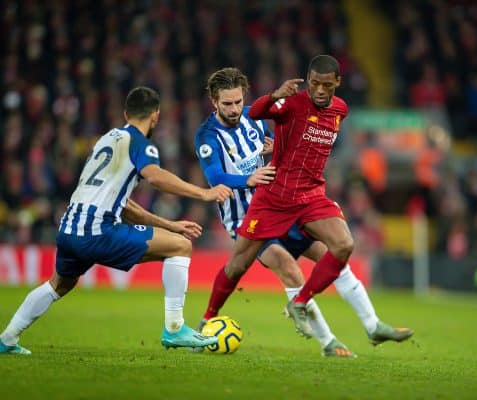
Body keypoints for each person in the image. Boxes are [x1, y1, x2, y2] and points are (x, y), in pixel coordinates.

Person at [195, 67, 413, 356]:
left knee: (332, 255)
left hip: (283, 201)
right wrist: (246, 179)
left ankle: (369, 326)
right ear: (214, 101)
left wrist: (272, 150)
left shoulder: (255, 117)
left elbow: (274, 144)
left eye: (238, 102)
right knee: (276, 266)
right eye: (227, 104)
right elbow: (214, 177)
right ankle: (209, 320)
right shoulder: (206, 135)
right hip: (245, 215)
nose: (235, 109)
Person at [0, 86, 233, 355]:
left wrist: (170, 225)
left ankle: (7, 338)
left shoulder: (106, 140)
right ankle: (174, 327)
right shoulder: (140, 144)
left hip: (69, 228)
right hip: (99, 230)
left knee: (58, 284)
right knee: (180, 247)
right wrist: (204, 193)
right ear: (155, 116)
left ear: (126, 113)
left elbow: (124, 205)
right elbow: (156, 177)